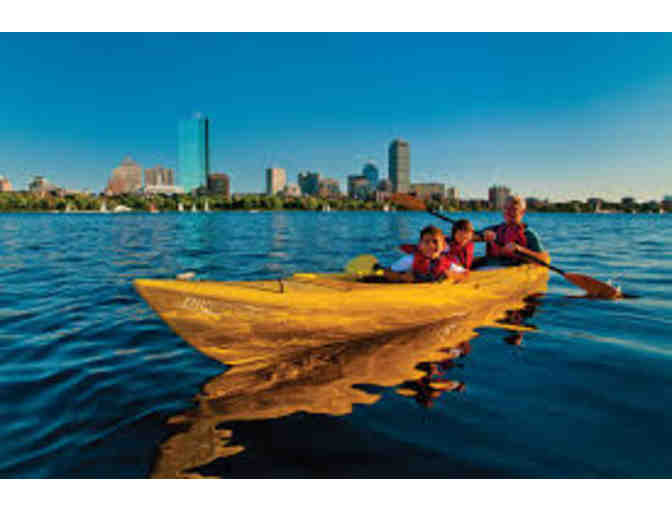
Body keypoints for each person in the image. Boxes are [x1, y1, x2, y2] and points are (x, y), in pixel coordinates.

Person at [473, 195, 549, 268]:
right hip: (488, 267)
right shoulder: (494, 230)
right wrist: (480, 237)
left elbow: (544, 259)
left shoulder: (528, 234)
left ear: (522, 212)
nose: (508, 212)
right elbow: (470, 235)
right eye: (506, 208)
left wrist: (521, 250)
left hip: (512, 269)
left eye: (514, 209)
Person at [384, 225, 468, 283]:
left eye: (435, 242)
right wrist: (401, 277)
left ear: (443, 247)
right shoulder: (410, 260)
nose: (431, 245)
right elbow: (387, 272)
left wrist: (452, 275)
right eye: (427, 242)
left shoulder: (446, 263)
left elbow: (465, 273)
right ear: (420, 246)